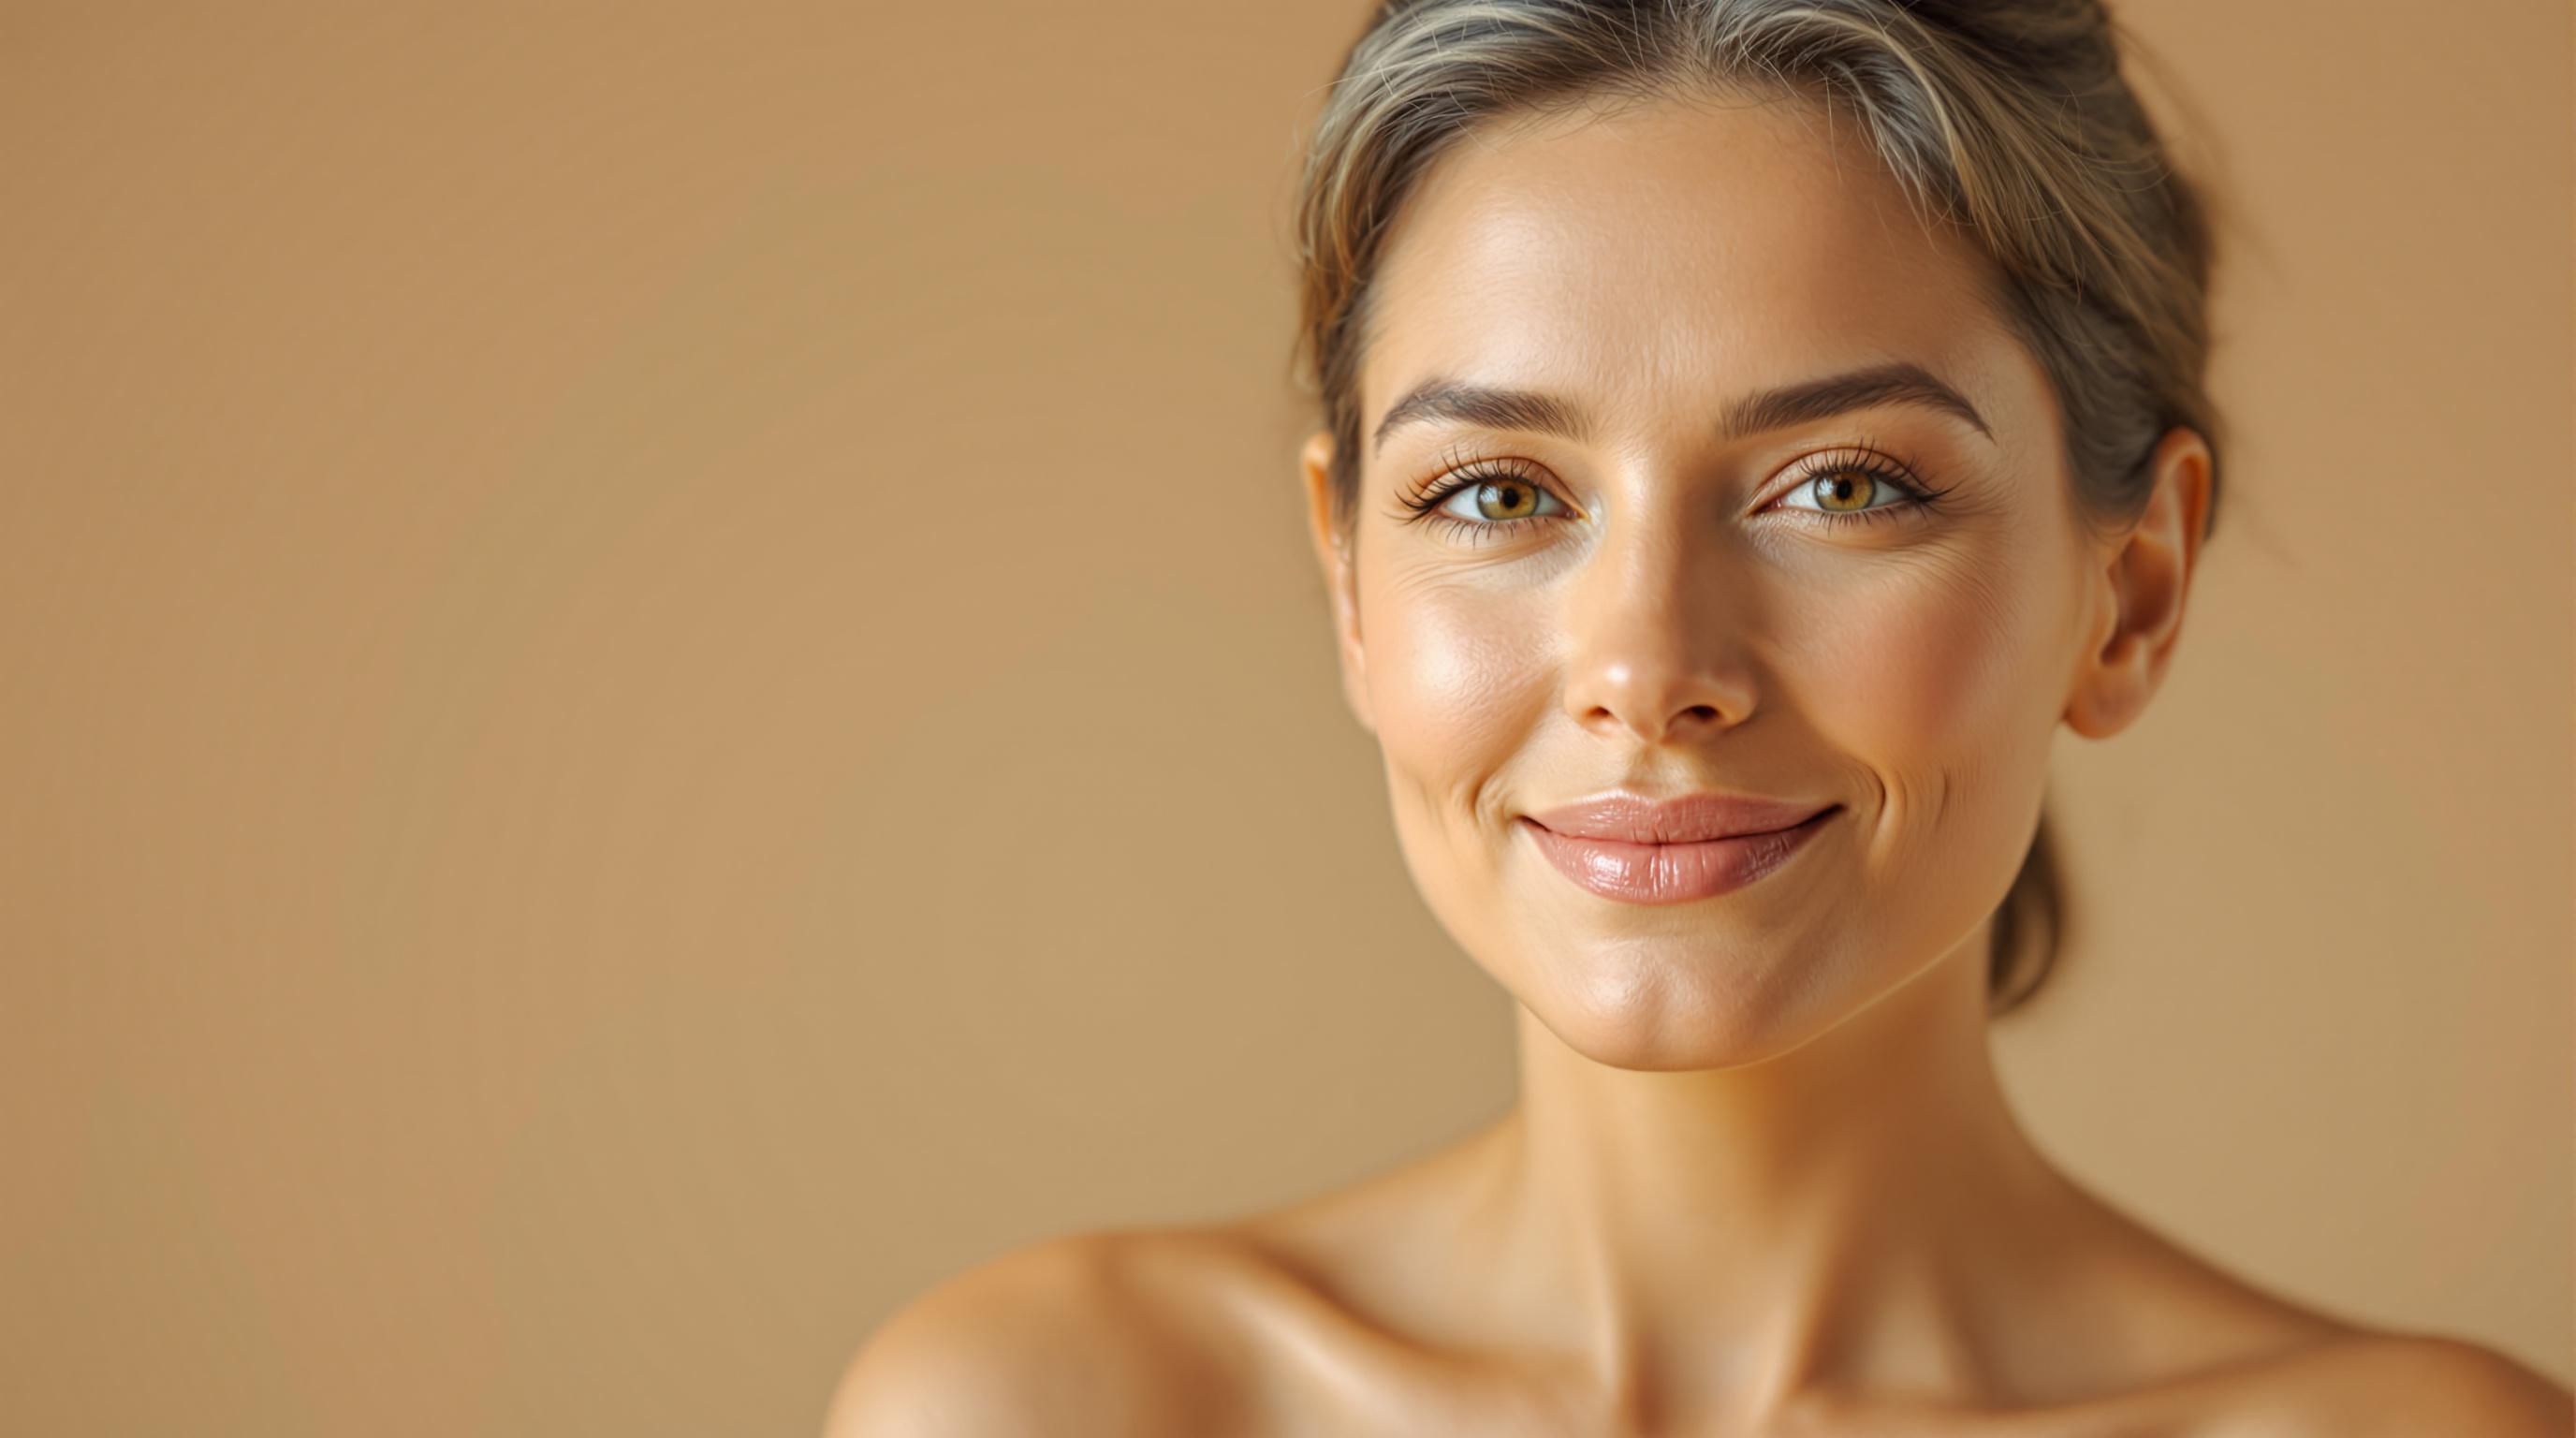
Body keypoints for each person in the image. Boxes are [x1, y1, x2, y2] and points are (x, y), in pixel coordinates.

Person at [827, 2, 2575, 1431]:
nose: (1651, 664)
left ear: (2131, 593)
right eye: (1500, 495)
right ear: (1351, 588)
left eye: (1842, 485)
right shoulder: (1053, 1409)